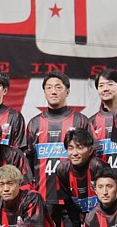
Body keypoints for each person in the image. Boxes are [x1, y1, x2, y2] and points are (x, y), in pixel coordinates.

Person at [25, 73, 89, 208]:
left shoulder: (81, 121)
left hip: (74, 198)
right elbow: (28, 161)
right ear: (44, 92)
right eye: (49, 87)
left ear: (67, 92)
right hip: (43, 198)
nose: (53, 91)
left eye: (58, 87)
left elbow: (91, 156)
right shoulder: (34, 123)